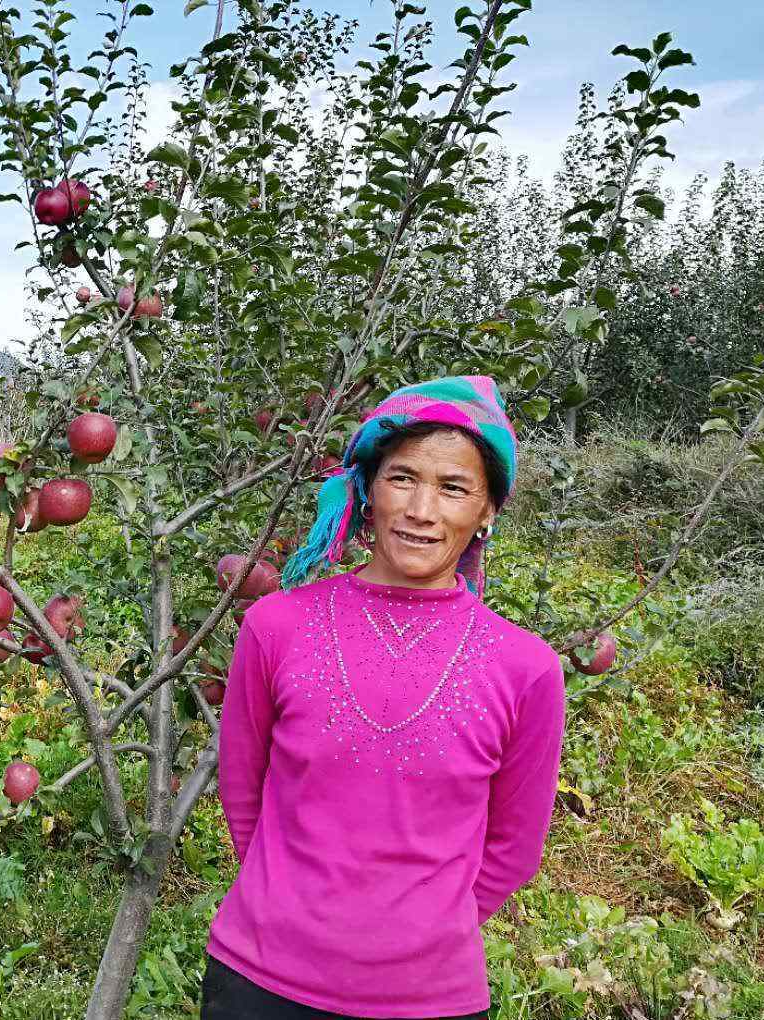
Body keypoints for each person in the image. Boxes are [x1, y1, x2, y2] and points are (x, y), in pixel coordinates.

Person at [201, 375, 566, 1020]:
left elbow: (515, 844)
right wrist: (290, 903)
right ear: (368, 489)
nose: (422, 509)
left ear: (487, 511)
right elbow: (243, 791)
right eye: (402, 478)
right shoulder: (277, 626)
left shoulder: (526, 668)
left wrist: (420, 932)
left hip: (429, 999)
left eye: (454, 487)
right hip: (260, 982)